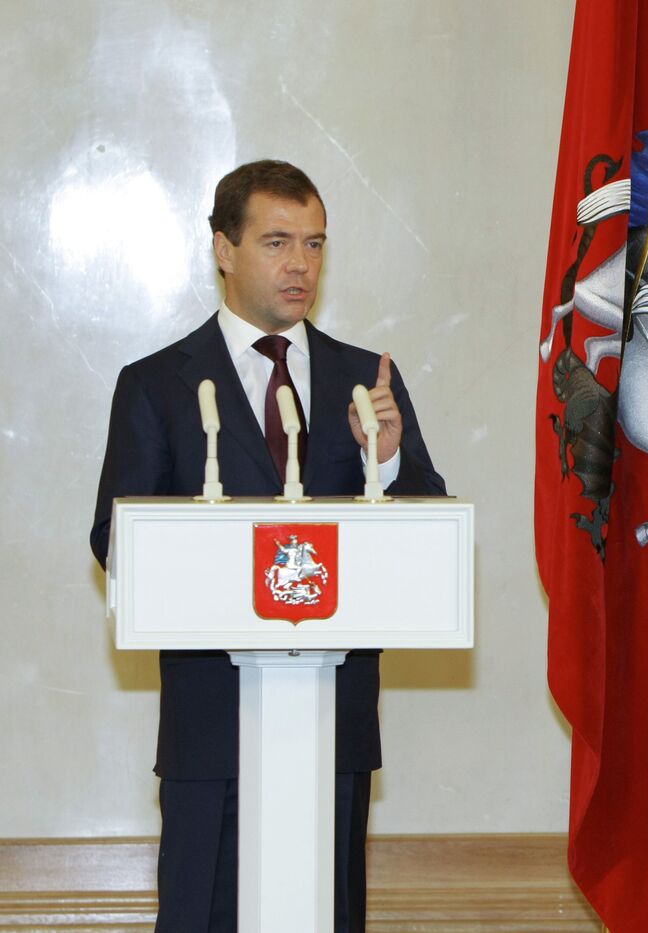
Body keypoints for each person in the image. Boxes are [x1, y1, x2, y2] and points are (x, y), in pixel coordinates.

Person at [90, 160, 446, 932]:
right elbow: (116, 538)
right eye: (277, 242)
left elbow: (426, 533)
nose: (300, 266)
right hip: (210, 731)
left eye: (314, 244)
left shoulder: (366, 379)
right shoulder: (156, 385)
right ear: (223, 248)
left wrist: (382, 459)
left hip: (333, 727)